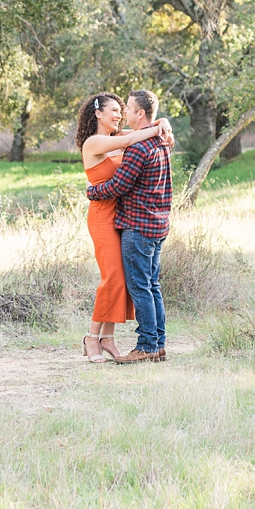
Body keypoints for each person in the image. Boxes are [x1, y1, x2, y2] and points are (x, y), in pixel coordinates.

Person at [76, 92, 173, 362]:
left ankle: (108, 338)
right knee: (113, 279)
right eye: (114, 111)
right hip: (103, 216)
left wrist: (162, 121)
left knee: (122, 280)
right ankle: (92, 338)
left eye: (122, 110)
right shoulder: (95, 142)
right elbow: (135, 136)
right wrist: (157, 126)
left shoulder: (116, 140)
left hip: (122, 217)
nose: (119, 115)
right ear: (97, 114)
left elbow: (141, 126)